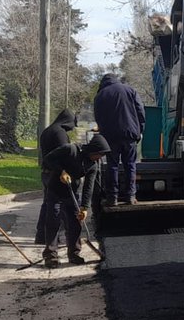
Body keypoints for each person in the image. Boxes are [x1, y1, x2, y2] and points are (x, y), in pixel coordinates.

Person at [40, 134, 109, 268]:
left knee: (75, 223)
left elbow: (89, 187)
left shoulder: (93, 165)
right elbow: (48, 159)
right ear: (93, 150)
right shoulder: (70, 150)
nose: (100, 158)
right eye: (99, 154)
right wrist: (61, 171)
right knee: (53, 221)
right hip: (55, 190)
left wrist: (84, 208)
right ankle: (50, 256)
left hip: (72, 193)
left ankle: (74, 253)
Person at [93, 74, 144, 206]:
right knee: (130, 165)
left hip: (110, 137)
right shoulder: (130, 90)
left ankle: (112, 197)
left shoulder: (100, 95)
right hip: (129, 135)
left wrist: (103, 132)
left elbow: (98, 117)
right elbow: (140, 111)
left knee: (112, 166)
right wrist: (139, 130)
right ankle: (130, 196)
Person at [35, 109, 77, 245]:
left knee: (47, 204)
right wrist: (64, 171)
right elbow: (64, 154)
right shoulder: (60, 133)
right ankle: (57, 237)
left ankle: (41, 235)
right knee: (59, 207)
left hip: (46, 172)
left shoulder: (47, 130)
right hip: (57, 174)